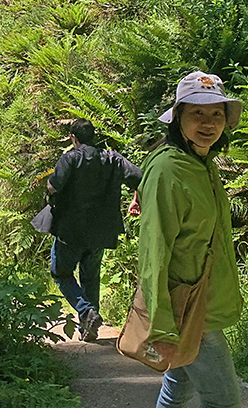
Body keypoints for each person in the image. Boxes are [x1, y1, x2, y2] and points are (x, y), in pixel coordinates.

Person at [137, 71, 244, 408]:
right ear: (178, 117)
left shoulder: (201, 162)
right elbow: (154, 251)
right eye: (197, 112)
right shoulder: (168, 169)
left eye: (216, 114)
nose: (208, 123)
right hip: (186, 310)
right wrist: (163, 327)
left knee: (177, 392)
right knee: (223, 401)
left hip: (202, 301)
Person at [46, 118, 142, 342]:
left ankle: (86, 311)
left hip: (71, 230)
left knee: (61, 273)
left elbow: (53, 186)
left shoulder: (70, 158)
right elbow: (138, 178)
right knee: (91, 276)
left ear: (73, 137)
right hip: (102, 231)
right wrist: (136, 199)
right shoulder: (112, 158)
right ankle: (89, 328)